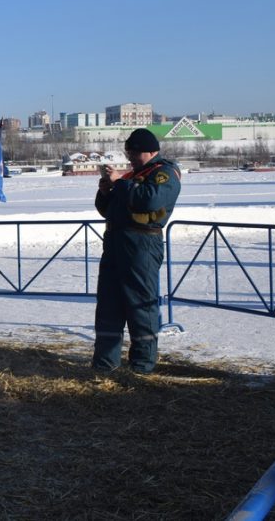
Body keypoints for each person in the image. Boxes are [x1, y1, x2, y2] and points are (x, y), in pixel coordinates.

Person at [93, 128, 182, 374]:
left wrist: (121, 182)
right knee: (109, 303)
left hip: (142, 244)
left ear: (151, 151)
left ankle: (142, 366)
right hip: (115, 243)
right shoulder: (134, 174)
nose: (131, 157)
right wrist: (105, 192)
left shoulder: (165, 173)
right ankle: (105, 364)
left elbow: (149, 200)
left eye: (135, 153)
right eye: (129, 153)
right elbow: (108, 209)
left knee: (140, 304)